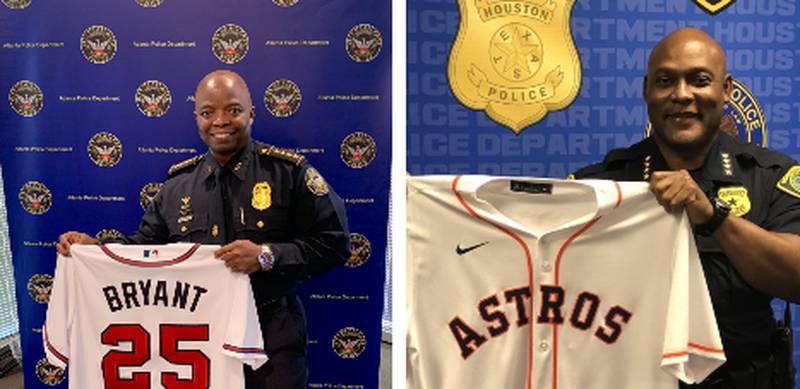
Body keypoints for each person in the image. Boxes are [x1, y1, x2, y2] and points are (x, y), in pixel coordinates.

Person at [57, 69, 351, 389]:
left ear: (251, 114)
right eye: (208, 112)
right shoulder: (176, 186)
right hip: (197, 340)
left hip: (272, 336)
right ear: (197, 117)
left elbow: (334, 243)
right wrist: (95, 249)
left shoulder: (288, 174)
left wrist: (268, 256)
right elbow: (142, 248)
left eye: (233, 110)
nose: (220, 121)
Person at [572, 27, 800, 389]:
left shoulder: (771, 177)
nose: (681, 95)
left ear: (725, 90)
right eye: (665, 81)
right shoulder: (599, 187)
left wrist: (713, 216)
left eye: (699, 80)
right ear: (647, 89)